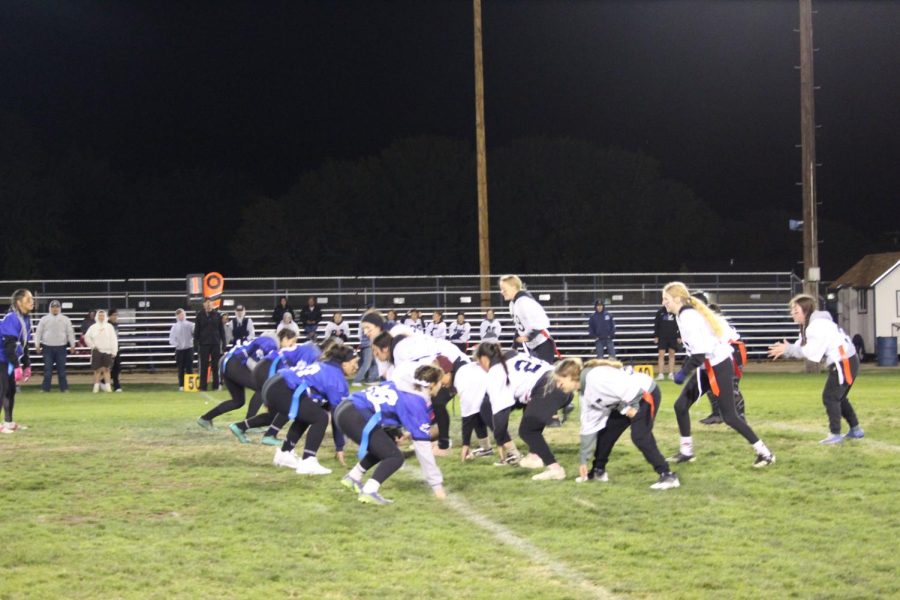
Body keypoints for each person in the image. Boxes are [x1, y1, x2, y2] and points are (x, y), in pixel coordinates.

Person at [663, 282, 775, 468]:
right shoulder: (684, 315)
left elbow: (700, 353)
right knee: (680, 406)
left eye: (666, 299)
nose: (663, 303)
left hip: (718, 365)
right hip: (709, 365)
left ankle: (765, 453)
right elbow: (698, 351)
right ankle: (686, 452)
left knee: (730, 416)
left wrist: (683, 373)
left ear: (677, 299)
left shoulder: (688, 317)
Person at [336, 364, 447, 505]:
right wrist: (437, 485)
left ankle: (353, 477)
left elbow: (386, 406)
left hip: (346, 408)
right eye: (439, 383)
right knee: (395, 457)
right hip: (356, 415)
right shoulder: (416, 402)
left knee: (386, 445)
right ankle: (370, 490)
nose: (441, 386)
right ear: (432, 384)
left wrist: (395, 432)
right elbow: (423, 449)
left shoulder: (402, 385)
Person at [768, 294, 864, 444]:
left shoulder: (815, 326)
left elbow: (809, 352)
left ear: (806, 311)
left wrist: (788, 349)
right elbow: (802, 345)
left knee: (830, 397)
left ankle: (835, 434)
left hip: (843, 361)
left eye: (796, 310)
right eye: (792, 310)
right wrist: (788, 348)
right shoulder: (813, 323)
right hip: (848, 360)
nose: (793, 313)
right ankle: (855, 429)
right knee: (839, 397)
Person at [476, 342, 574, 480]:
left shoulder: (496, 371)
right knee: (531, 419)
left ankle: (555, 469)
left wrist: (501, 441)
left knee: (527, 431)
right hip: (563, 387)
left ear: (484, 359)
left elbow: (500, 415)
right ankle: (534, 456)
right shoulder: (518, 356)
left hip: (549, 388)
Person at [577, 359, 679, 489]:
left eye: (559, 382)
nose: (558, 386)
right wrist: (583, 461)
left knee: (640, 435)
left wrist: (630, 410)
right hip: (625, 400)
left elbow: (633, 393)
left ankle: (667, 475)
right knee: (607, 433)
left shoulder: (596, 379)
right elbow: (589, 426)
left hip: (644, 394)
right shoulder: (586, 388)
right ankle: (598, 471)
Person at [261, 344, 358, 475]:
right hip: (282, 388)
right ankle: (308, 460)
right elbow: (337, 416)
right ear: (344, 363)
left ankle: (285, 454)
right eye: (354, 362)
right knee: (321, 417)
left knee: (309, 414)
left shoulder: (326, 367)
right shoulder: (336, 378)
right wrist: (339, 447)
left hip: (275, 383)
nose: (356, 366)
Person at [196, 334, 278, 429]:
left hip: (227, 361)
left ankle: (205, 418)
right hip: (234, 362)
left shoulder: (264, 342)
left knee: (238, 401)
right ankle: (250, 423)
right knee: (262, 388)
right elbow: (249, 360)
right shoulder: (270, 343)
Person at [499, 275, 557, 363]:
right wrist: (514, 346)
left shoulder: (524, 301)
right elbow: (519, 326)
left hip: (542, 344)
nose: (502, 292)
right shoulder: (513, 304)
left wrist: (529, 337)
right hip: (532, 346)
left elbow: (543, 322)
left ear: (513, 287)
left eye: (504, 289)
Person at [1, 289, 34, 433]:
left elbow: (25, 343)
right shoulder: (11, 318)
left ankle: (8, 422)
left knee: (10, 390)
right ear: (18, 302)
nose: (32, 302)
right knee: (1, 391)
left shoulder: (26, 319)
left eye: (32, 299)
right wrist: (16, 366)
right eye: (28, 300)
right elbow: (8, 347)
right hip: (2, 358)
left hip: (8, 359)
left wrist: (26, 364)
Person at [34, 299, 76, 392]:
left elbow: (70, 333)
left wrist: (72, 345)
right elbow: (38, 333)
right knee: (48, 370)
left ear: (59, 308)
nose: (55, 309)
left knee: (61, 370)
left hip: (61, 347)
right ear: (50, 308)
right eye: (53, 307)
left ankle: (64, 388)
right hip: (47, 347)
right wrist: (37, 345)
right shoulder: (44, 319)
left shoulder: (65, 319)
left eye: (57, 307)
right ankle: (45, 389)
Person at [194, 298, 226, 391]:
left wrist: (223, 343)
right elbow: (197, 331)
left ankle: (215, 385)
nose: (208, 305)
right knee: (203, 365)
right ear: (204, 305)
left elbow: (221, 331)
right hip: (204, 344)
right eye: (206, 304)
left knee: (215, 365)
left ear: (212, 305)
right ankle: (203, 386)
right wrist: (196, 344)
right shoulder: (199, 316)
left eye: (210, 304)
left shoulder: (217, 315)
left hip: (215, 343)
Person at [84, 309, 117, 393]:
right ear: (97, 316)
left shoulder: (109, 327)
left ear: (105, 316)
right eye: (99, 315)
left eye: (102, 315)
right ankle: (95, 388)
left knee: (106, 370)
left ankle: (108, 388)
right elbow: (87, 337)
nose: (101, 317)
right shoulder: (93, 327)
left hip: (107, 351)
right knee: (97, 370)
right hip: (97, 351)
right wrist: (92, 346)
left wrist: (114, 351)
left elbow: (114, 339)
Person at [168, 308, 195, 389]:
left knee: (189, 367)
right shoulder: (174, 327)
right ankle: (181, 385)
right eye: (179, 315)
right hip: (179, 350)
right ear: (176, 316)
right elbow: (171, 339)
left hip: (189, 348)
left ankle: (190, 386)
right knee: (181, 368)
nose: (181, 316)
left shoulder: (190, 325)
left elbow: (195, 335)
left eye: (182, 314)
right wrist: (177, 345)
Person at [653, 305, 681, 381]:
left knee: (672, 354)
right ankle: (660, 374)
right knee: (661, 355)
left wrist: (679, 336)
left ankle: (671, 374)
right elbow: (656, 325)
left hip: (672, 336)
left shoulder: (675, 312)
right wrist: (656, 336)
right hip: (662, 336)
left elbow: (679, 325)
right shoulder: (660, 312)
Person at [353, 311, 380, 385]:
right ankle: (356, 381)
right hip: (368, 345)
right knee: (367, 364)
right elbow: (369, 334)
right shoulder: (366, 325)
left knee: (375, 363)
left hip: (368, 345)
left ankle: (370, 380)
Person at [107, 309, 124, 392]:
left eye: (116, 315)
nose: (115, 317)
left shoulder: (116, 325)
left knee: (117, 367)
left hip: (116, 347)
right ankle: (116, 385)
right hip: (109, 348)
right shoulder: (107, 325)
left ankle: (106, 381)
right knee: (112, 367)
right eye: (113, 315)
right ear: (109, 316)